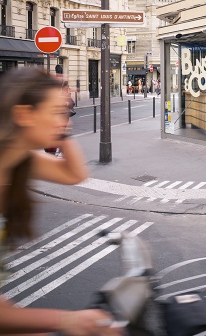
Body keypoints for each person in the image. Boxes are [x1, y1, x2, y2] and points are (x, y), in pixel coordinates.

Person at [0, 67, 120, 335]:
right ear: (23, 115)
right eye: (56, 113)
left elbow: (74, 174)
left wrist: (59, 128)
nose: (66, 120)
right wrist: (68, 321)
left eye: (66, 112)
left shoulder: (20, 159)